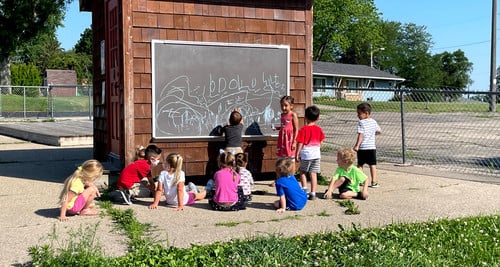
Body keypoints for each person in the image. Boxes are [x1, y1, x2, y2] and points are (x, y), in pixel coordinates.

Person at [295, 105, 325, 200]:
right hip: (316, 155)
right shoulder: (319, 129)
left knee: (302, 171)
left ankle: (304, 190)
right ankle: (313, 192)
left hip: (306, 154)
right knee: (313, 173)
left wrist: (297, 153)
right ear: (318, 117)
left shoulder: (303, 129)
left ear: (305, 117)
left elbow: (300, 142)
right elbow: (321, 142)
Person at [353, 102, 382, 188]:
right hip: (372, 148)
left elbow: (361, 135)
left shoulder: (361, 123)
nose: (358, 115)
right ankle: (374, 181)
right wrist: (373, 133)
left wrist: (357, 145)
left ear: (366, 113)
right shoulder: (373, 121)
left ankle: (360, 180)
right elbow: (379, 131)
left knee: (360, 165)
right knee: (372, 165)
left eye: (359, 113)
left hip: (363, 148)